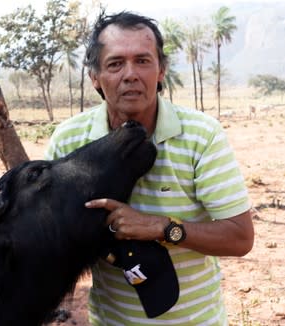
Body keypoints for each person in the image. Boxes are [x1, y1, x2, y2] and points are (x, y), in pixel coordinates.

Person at [42, 11, 255, 325]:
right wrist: (0, 208)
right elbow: (50, 235)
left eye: (143, 61)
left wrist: (162, 228)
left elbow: (240, 238)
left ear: (161, 71)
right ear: (95, 77)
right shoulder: (69, 138)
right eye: (115, 64)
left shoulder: (202, 135)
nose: (130, 74)